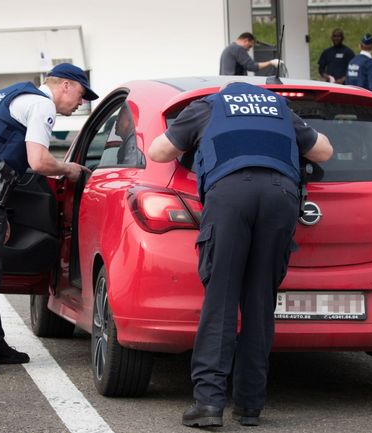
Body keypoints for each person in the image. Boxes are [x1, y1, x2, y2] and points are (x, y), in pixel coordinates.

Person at [149, 81, 332, 428]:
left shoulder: (208, 106)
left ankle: (208, 403)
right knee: (260, 302)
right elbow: (324, 152)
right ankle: (249, 406)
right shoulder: (279, 108)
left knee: (221, 299)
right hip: (281, 196)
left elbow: (159, 152)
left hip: (230, 194)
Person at [0, 63, 95, 375]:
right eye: (81, 94)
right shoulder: (42, 105)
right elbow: (38, 161)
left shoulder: (11, 93)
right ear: (65, 85)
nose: (81, 103)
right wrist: (71, 170)